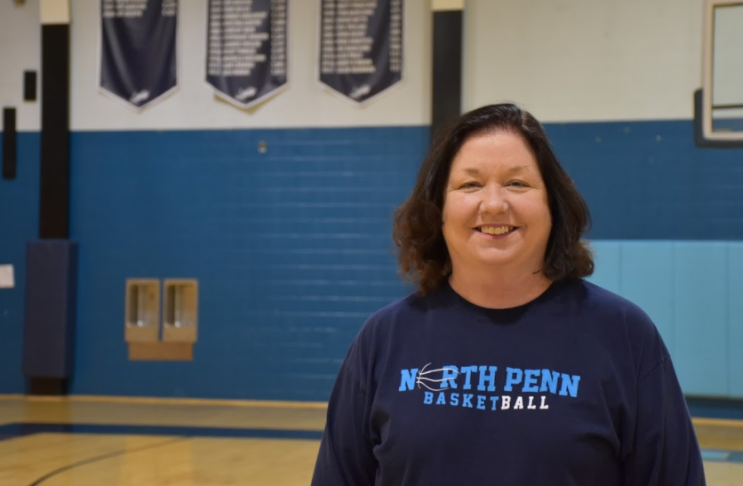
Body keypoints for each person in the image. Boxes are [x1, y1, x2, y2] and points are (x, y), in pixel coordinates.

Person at [310, 103, 706, 485]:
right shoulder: (383, 339)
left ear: (553, 206)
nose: (495, 204)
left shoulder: (623, 334)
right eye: (471, 184)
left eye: (517, 183)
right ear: (439, 209)